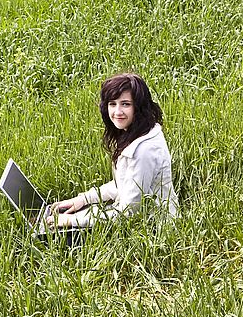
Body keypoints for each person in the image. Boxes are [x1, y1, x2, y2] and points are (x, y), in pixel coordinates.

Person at [44, 73, 178, 232]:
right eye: (112, 104)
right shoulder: (136, 132)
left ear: (139, 107)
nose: (117, 111)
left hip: (152, 230)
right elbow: (123, 185)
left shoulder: (144, 151)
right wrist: (83, 200)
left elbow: (129, 212)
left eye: (126, 104)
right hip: (136, 219)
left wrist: (73, 220)